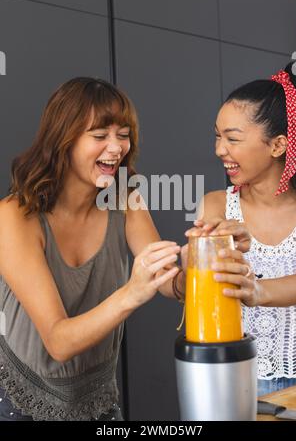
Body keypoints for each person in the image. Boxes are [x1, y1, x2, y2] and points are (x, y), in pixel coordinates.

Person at [0, 77, 253, 421]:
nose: (116, 147)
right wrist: (133, 292)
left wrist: (208, 255)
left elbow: (169, 282)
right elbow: (59, 342)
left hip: (97, 399)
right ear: (64, 139)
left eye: (123, 134)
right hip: (18, 402)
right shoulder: (15, 215)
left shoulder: (125, 199)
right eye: (100, 135)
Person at [192, 62, 296, 396]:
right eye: (217, 136)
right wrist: (205, 252)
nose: (219, 150)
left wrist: (259, 291)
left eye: (233, 139)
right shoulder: (216, 206)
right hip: (235, 382)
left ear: (278, 145)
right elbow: (198, 287)